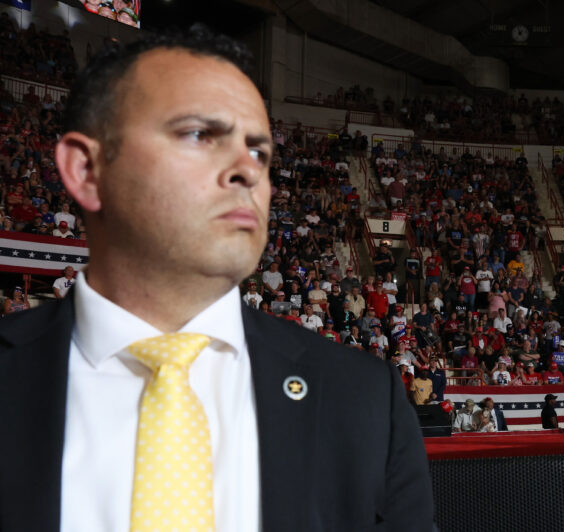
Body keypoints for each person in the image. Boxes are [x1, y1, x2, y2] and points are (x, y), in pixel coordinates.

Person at [0, 27, 432, 531]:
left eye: (260, 153)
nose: (246, 170)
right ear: (88, 170)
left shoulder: (365, 403)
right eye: (199, 134)